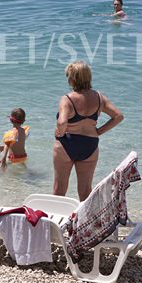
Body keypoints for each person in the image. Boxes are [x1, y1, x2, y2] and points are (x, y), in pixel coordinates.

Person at [52, 60, 123, 201]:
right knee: (85, 191)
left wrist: (60, 131)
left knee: (59, 189)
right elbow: (118, 116)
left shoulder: (67, 99)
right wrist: (98, 131)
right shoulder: (99, 97)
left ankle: (55, 221)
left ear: (72, 78)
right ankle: (85, 222)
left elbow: (62, 121)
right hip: (90, 145)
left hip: (67, 144)